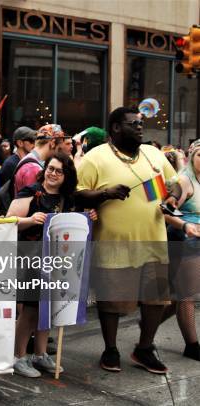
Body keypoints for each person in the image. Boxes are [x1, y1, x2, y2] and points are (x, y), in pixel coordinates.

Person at [76, 107, 179, 374]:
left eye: (141, 122)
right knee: (111, 302)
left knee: (156, 299)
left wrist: (172, 197)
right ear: (116, 128)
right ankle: (110, 349)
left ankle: (144, 349)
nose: (140, 127)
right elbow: (76, 194)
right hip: (114, 243)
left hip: (154, 240)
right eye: (134, 123)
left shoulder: (154, 154)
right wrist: (104, 193)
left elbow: (175, 183)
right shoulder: (94, 158)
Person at [7, 153, 97, 378]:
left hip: (56, 261)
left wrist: (88, 217)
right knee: (30, 310)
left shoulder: (69, 198)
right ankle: (18, 357)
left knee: (49, 308)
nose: (53, 174)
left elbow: (73, 224)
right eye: (50, 168)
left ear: (66, 176)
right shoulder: (31, 192)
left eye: (59, 171)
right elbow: (8, 221)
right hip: (31, 259)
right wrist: (29, 220)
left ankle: (39, 355)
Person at [163, 140, 200, 360]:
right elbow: (166, 211)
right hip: (186, 243)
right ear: (191, 156)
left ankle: (150, 322)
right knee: (188, 295)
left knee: (180, 295)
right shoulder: (184, 181)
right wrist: (186, 225)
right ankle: (192, 345)